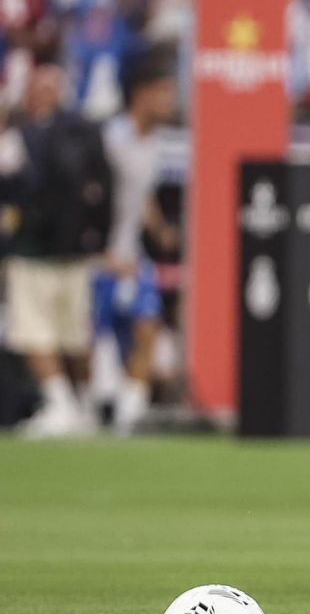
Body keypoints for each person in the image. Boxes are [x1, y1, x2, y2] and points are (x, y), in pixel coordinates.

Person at [0, 64, 112, 437]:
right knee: (73, 333)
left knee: (36, 331)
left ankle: (62, 403)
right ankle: (83, 405)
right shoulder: (84, 132)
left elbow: (12, 187)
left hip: (35, 248)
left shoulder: (27, 136)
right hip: (74, 250)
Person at [95, 51, 178, 435]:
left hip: (133, 255)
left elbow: (140, 193)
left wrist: (158, 225)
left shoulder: (155, 144)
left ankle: (130, 408)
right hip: (100, 257)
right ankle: (92, 405)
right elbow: (92, 199)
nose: (171, 102)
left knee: (148, 326)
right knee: (96, 339)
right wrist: (100, 252)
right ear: (141, 95)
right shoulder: (110, 140)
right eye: (164, 92)